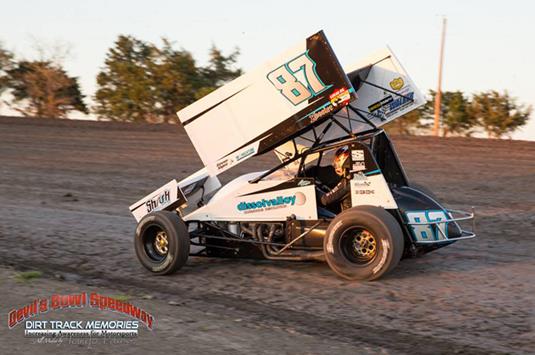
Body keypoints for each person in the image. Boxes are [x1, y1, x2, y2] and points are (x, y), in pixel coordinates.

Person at [319, 146, 352, 210]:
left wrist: (314, 189)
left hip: (348, 217)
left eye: (339, 160)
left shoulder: (349, 180)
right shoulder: (357, 176)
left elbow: (325, 200)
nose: (337, 164)